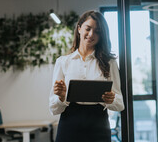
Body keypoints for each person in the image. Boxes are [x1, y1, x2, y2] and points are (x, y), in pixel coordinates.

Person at [49, 10, 124, 142]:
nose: (91, 34)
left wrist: (111, 99)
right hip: (69, 125)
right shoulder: (63, 62)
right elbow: (53, 108)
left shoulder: (109, 63)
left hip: (98, 126)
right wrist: (61, 96)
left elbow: (120, 104)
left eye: (97, 31)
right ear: (79, 29)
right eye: (88, 29)